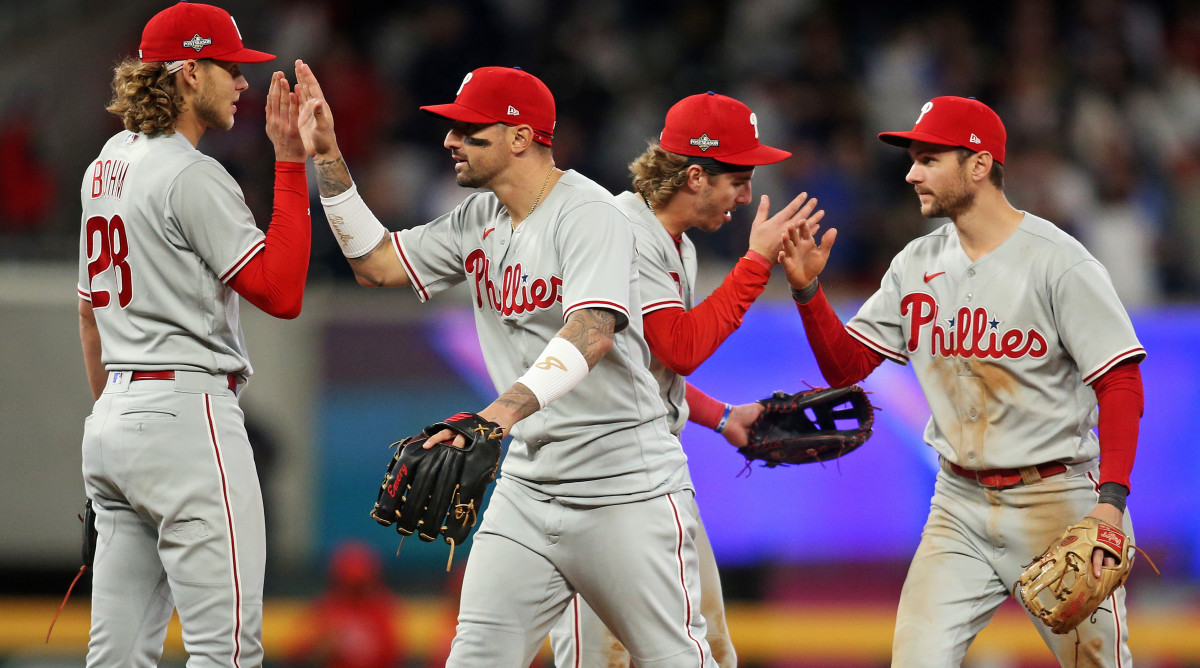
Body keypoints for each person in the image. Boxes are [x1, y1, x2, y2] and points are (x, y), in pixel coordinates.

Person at [294, 61, 717, 667]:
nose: (450, 141)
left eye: (470, 130)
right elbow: (376, 262)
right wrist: (329, 158)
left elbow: (593, 332)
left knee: (675, 659)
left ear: (522, 136)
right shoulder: (478, 218)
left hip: (623, 482)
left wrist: (497, 415)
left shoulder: (590, 213)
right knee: (476, 657)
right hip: (529, 482)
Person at [780, 96, 1145, 666]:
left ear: (978, 165)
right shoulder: (914, 263)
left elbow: (1120, 382)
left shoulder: (1059, 263)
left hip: (1056, 499)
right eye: (914, 159)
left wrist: (1110, 504)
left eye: (928, 159)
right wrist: (808, 293)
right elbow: (846, 367)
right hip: (957, 504)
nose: (911, 172)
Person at [548, 92, 821, 668]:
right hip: (594, 481)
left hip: (647, 469)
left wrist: (722, 417)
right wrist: (754, 265)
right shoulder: (620, 229)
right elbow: (682, 346)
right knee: (604, 660)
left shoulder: (677, 244)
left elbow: (650, 369)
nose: (746, 196)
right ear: (695, 175)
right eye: (738, 179)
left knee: (707, 652)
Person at [77, 3, 311, 666]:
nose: (242, 82)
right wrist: (290, 165)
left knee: (117, 655)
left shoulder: (105, 164)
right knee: (227, 652)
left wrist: (115, 419)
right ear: (186, 74)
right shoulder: (191, 174)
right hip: (186, 419)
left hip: (114, 421)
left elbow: (89, 314)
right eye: (228, 67)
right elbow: (282, 292)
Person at [286, 541, 406, 668]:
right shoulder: (325, 607)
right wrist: (320, 648)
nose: (353, 591)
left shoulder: (383, 608)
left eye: (359, 585)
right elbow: (294, 654)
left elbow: (394, 655)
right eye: (348, 583)